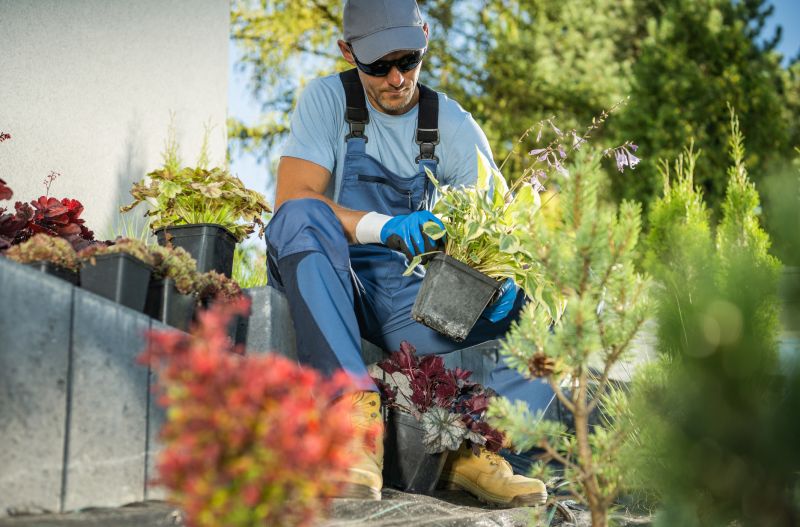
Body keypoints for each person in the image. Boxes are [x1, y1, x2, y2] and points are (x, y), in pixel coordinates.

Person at [264, 0, 553, 507]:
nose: (397, 78)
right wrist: (383, 227)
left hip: (409, 302)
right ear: (348, 52)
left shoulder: (453, 125)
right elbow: (294, 197)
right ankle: (353, 418)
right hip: (332, 280)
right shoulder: (328, 101)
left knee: (534, 309)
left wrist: (504, 282)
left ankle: (476, 448)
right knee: (299, 217)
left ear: (424, 37)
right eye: (379, 65)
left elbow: (510, 226)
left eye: (409, 60)